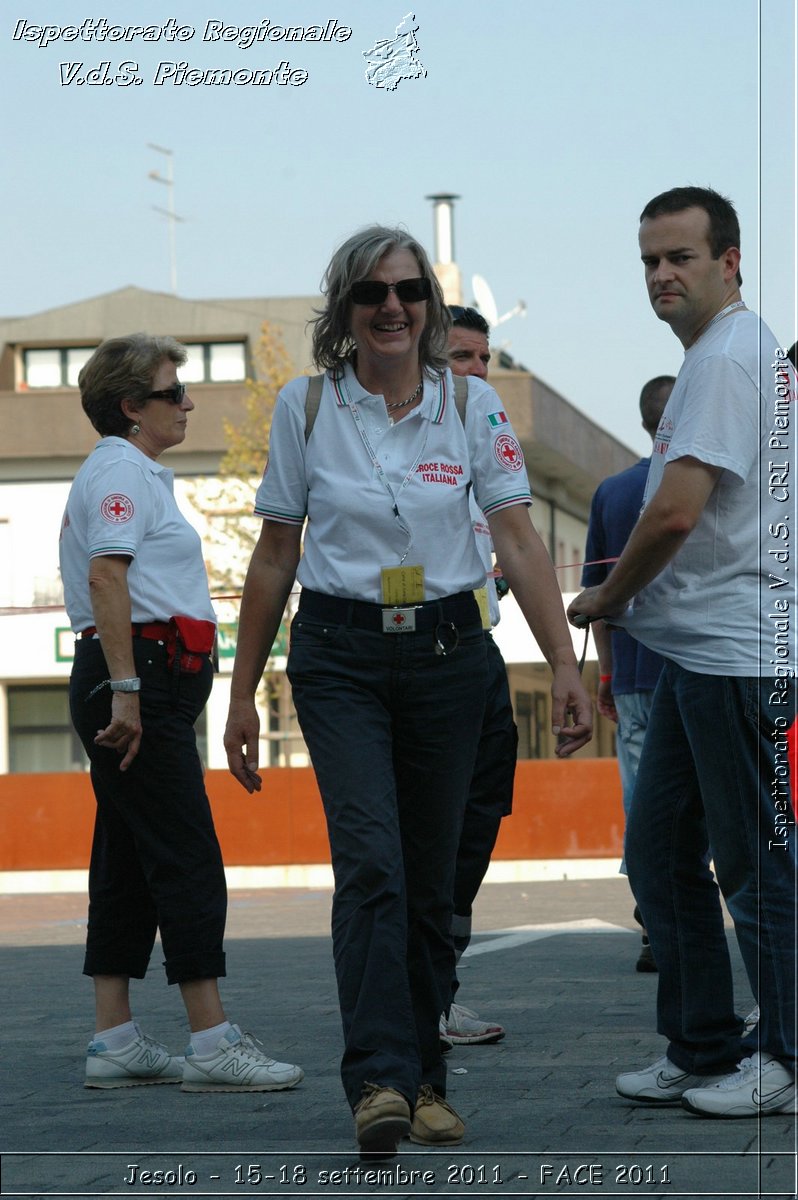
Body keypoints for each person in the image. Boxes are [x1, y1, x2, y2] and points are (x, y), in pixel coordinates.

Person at [224, 227, 593, 1156]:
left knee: (431, 888)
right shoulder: (303, 407)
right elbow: (275, 558)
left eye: (409, 292)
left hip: (449, 655)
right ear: (343, 311)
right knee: (375, 866)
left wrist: (564, 664)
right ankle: (380, 1080)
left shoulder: (472, 406)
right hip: (340, 657)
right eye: (371, 294)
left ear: (428, 306)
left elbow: (516, 539)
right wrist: (237, 696)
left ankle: (425, 1078)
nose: (392, 308)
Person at [568, 186, 797, 1118]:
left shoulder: (729, 357)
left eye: (682, 258)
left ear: (729, 261)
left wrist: (606, 601)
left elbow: (675, 510)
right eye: (650, 262)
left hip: (739, 656)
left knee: (754, 866)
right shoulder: (731, 355)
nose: (663, 275)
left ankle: (783, 1057)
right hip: (701, 659)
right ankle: (704, 1045)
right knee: (659, 856)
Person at [60, 334, 303, 1095]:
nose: (188, 402)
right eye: (173, 391)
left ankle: (115, 1035)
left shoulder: (137, 473)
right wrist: (129, 692)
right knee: (188, 855)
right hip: (139, 677)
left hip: (150, 678)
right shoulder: (120, 470)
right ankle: (211, 1039)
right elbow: (107, 575)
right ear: (132, 406)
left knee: (129, 855)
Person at [440, 305, 515, 1046]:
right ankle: (418, 1000)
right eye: (462, 357)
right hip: (423, 661)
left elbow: (512, 542)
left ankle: (440, 988)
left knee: (479, 824)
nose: (478, 372)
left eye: (484, 357)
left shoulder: (488, 451)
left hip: (481, 653)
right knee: (431, 836)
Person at [581, 375, 674, 972]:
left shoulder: (613, 493)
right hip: (705, 667)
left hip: (637, 676)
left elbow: (598, 596)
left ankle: (655, 922)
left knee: (643, 801)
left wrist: (608, 675)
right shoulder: (702, 480)